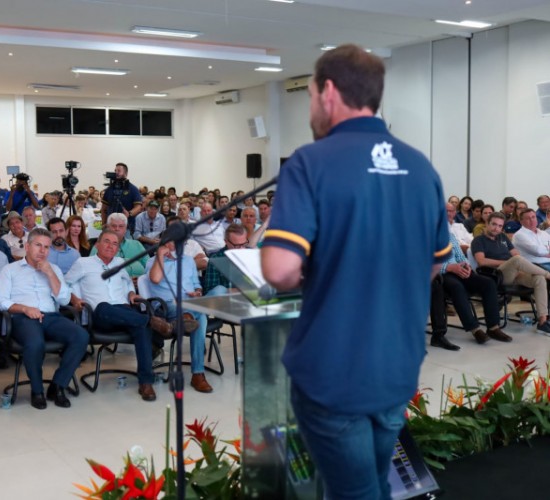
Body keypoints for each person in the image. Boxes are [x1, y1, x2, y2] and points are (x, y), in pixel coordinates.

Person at [260, 45, 451, 500]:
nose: (311, 107)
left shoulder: (310, 161)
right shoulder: (421, 168)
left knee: (356, 493)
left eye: (309, 96)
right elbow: (437, 260)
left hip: (335, 367)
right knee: (373, 482)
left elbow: (280, 270)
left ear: (328, 92)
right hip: (397, 363)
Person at [66, 230, 172, 401]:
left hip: (124, 311)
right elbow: (65, 284)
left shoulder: (120, 262)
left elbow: (128, 283)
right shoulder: (83, 263)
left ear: (117, 248)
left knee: (141, 327)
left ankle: (146, 382)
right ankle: (153, 322)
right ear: (97, 244)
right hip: (100, 315)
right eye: (106, 241)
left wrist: (131, 293)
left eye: (115, 243)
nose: (110, 246)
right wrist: (75, 299)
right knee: (104, 307)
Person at [0, 228, 89, 409]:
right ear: (27, 246)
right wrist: (24, 308)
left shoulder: (54, 269)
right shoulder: (10, 270)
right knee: (35, 342)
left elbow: (64, 300)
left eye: (46, 247)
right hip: (22, 317)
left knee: (81, 336)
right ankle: (37, 390)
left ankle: (58, 385)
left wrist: (50, 273)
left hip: (51, 316)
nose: (42, 251)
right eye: (38, 245)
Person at [429, 210, 510, 350]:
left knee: (488, 283)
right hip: (442, 273)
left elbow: (460, 256)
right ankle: (475, 329)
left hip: (460, 269)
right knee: (457, 287)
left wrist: (466, 265)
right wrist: (449, 267)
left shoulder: (449, 235)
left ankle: (493, 327)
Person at [146, 241, 211, 393]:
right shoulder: (152, 261)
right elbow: (155, 279)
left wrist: (197, 292)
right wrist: (160, 255)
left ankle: (180, 321)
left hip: (189, 302)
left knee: (200, 316)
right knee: (200, 315)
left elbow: (196, 284)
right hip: (167, 305)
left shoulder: (188, 261)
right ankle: (198, 374)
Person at [472, 212, 550, 335]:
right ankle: (548, 274)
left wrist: (515, 265)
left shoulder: (503, 237)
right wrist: (509, 263)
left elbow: (516, 254)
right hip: (495, 275)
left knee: (539, 279)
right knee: (517, 260)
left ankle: (542, 322)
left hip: (513, 273)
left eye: (499, 226)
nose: (496, 228)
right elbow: (481, 261)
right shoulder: (478, 240)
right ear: (487, 223)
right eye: (493, 224)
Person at [91, 212, 148, 278]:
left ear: (126, 229)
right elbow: (91, 271)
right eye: (114, 226)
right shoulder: (99, 246)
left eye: (121, 226)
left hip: (139, 282)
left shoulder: (136, 245)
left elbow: (149, 266)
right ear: (108, 228)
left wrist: (142, 279)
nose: (117, 229)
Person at [204, 223, 248, 296]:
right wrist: (242, 291)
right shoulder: (216, 259)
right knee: (219, 290)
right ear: (226, 242)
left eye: (244, 244)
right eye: (237, 246)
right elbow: (212, 291)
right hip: (225, 300)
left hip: (252, 298)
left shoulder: (251, 255)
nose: (241, 249)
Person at [100, 162, 143, 233]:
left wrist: (129, 213)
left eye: (119, 171)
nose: (116, 173)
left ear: (126, 173)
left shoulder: (133, 189)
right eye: (115, 170)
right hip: (110, 227)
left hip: (127, 227)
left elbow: (138, 207)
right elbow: (103, 209)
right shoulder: (109, 189)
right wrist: (104, 224)